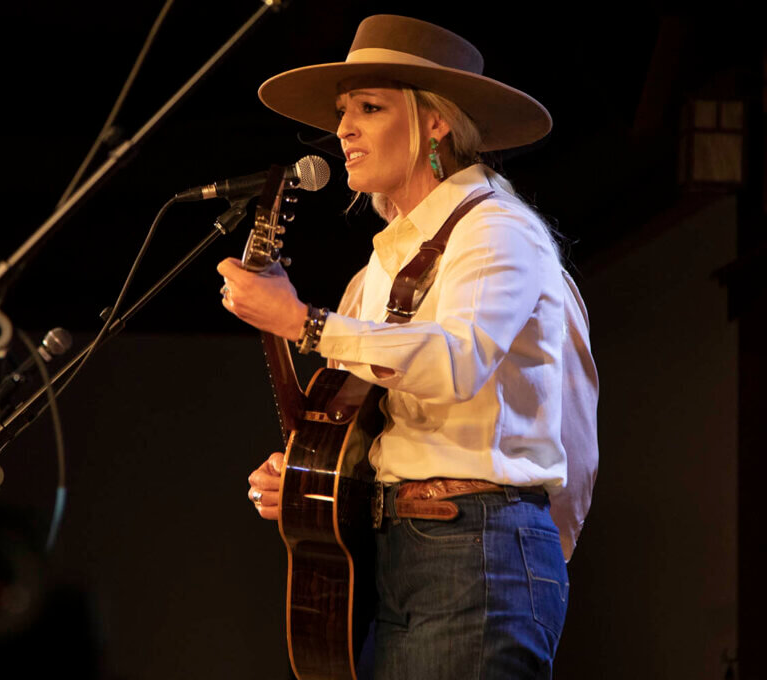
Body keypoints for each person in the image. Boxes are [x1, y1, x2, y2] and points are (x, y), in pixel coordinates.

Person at [216, 14, 598, 680]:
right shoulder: (377, 271)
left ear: (436, 123)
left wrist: (304, 322)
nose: (345, 130)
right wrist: (308, 480)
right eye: (343, 112)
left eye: (370, 107)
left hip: (476, 546)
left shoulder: (498, 230)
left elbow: (457, 360)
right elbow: (356, 421)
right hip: (398, 551)